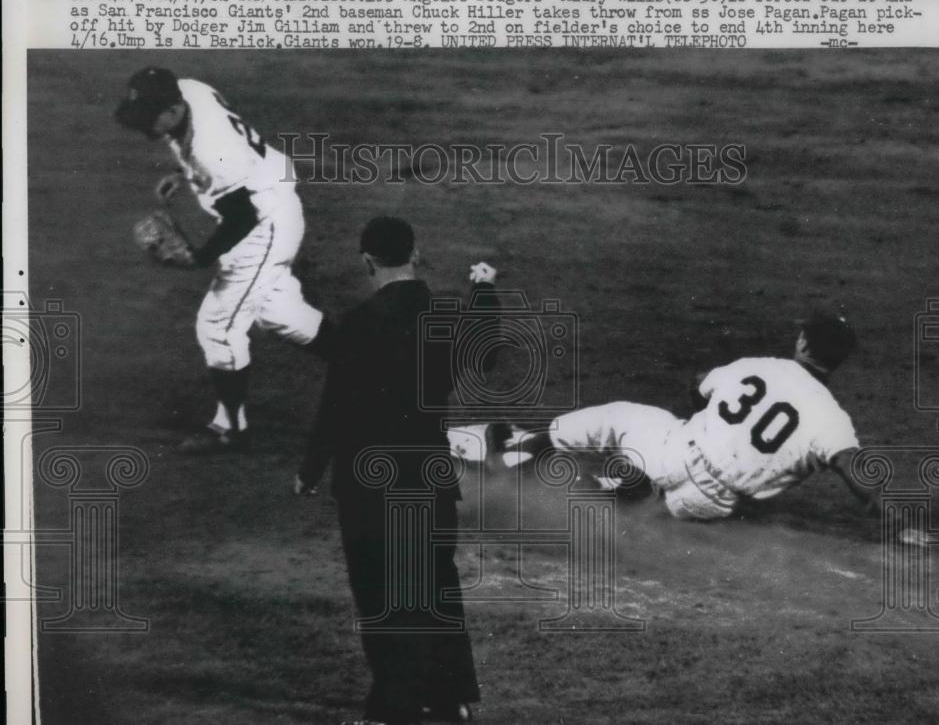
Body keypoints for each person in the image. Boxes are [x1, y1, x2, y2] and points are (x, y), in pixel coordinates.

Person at [298, 217, 496, 724]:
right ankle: (450, 701)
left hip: (366, 484)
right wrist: (484, 292)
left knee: (379, 594)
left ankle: (395, 704)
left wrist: (311, 468)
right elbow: (486, 353)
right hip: (429, 478)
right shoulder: (444, 315)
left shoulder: (357, 323)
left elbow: (335, 404)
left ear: (367, 262)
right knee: (434, 589)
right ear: (416, 253)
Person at [114, 66, 324, 451]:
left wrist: (201, 257)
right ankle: (362, 361)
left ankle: (231, 429)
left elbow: (242, 217)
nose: (144, 126)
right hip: (265, 187)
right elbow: (203, 146)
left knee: (217, 325)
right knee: (279, 313)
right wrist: (185, 173)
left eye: (149, 117)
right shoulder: (189, 89)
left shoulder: (214, 150)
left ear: (174, 108)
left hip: (265, 221)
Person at [505, 314, 880, 520]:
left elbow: (699, 383)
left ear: (802, 342)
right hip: (712, 503)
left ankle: (528, 447)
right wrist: (889, 509)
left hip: (677, 455)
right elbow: (853, 465)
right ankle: (629, 495)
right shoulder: (832, 418)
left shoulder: (762, 366)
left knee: (618, 418)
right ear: (839, 360)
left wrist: (710, 421)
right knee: (649, 507)